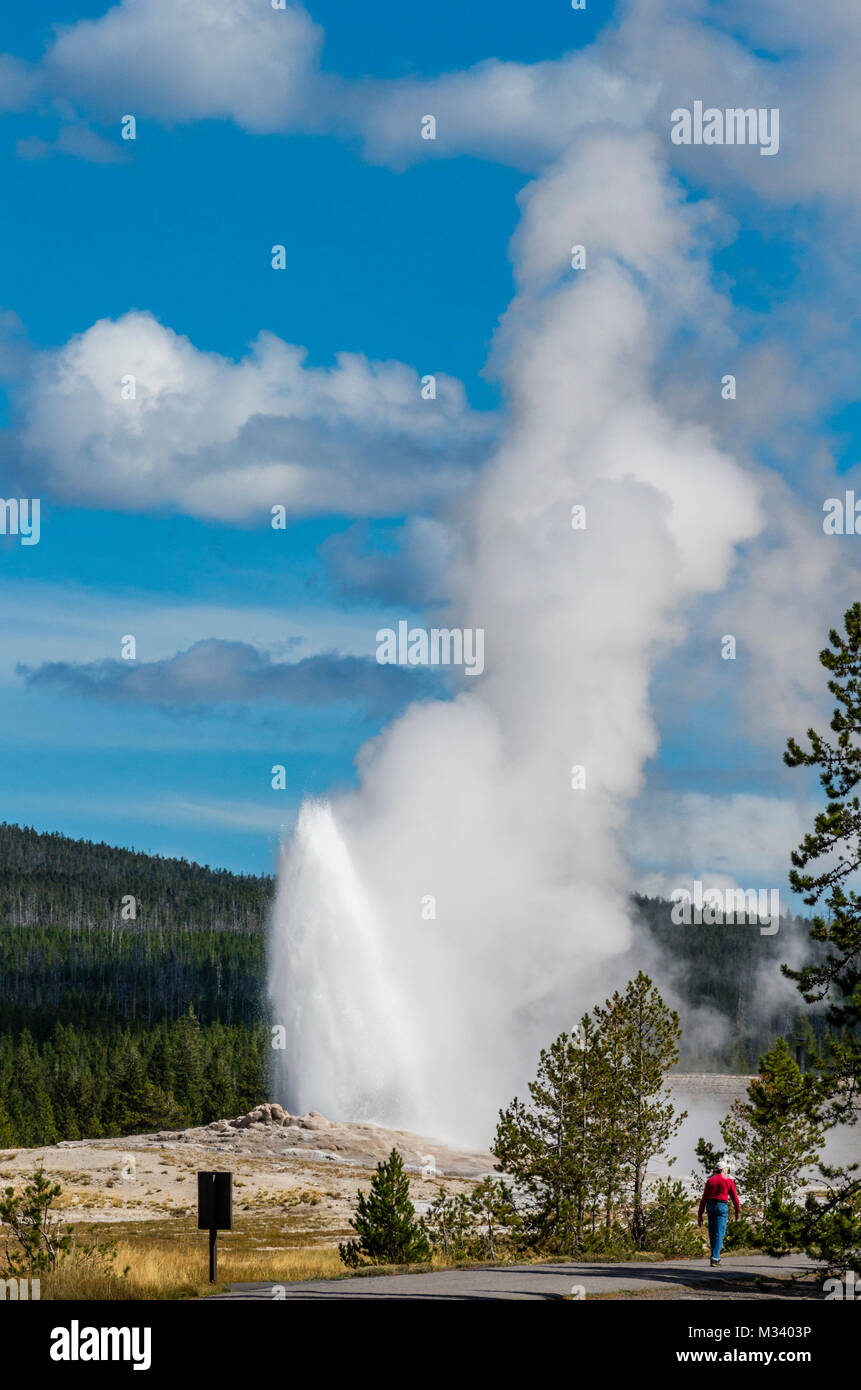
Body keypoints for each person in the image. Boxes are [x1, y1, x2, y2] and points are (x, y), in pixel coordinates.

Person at [697, 1161, 740, 1267]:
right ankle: (715, 1259)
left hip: (710, 1206)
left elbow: (704, 1198)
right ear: (723, 1169)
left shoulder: (710, 1181)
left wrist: (700, 1214)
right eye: (727, 1168)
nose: (727, 1170)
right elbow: (734, 1197)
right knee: (719, 1232)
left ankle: (714, 1256)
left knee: (712, 1232)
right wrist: (737, 1211)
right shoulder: (728, 1180)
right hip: (721, 1206)